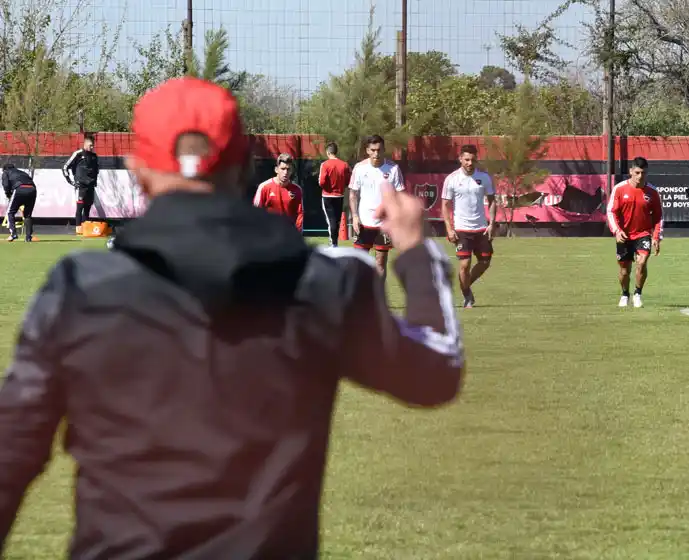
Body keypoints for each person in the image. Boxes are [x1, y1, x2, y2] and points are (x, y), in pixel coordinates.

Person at [0, 77, 464, 559]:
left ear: (138, 171)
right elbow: (437, 370)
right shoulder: (328, 282)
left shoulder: (79, 289)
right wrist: (417, 254)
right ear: (244, 167)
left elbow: (9, 454)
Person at [441, 144, 496, 308]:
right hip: (462, 229)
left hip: (481, 228)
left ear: (476, 159)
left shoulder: (484, 178)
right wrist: (449, 228)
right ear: (460, 159)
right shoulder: (452, 179)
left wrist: (492, 223)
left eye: (472, 160)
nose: (469, 163)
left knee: (485, 262)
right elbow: (445, 205)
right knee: (464, 265)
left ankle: (465, 285)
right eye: (466, 159)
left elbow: (492, 201)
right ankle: (467, 296)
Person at [606, 157, 663, 308]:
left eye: (643, 173)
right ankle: (625, 294)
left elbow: (658, 216)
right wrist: (617, 231)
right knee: (624, 270)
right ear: (631, 171)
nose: (640, 176)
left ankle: (638, 293)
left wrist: (656, 236)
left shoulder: (652, 192)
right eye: (637, 172)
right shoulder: (619, 189)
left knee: (642, 262)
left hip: (643, 233)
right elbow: (611, 211)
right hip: (624, 235)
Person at [349, 134, 405, 280]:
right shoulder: (359, 168)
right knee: (358, 264)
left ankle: (378, 300)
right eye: (373, 150)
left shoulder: (393, 169)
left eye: (379, 150)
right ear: (367, 150)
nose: (376, 153)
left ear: (384, 149)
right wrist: (354, 216)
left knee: (380, 262)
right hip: (363, 223)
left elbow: (400, 196)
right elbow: (353, 194)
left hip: (384, 225)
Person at [253, 152, 304, 232]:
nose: (285, 173)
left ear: (292, 171)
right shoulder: (264, 187)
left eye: (288, 169)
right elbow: (256, 212)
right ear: (276, 169)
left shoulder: (297, 189)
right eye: (283, 169)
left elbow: (300, 213)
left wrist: (297, 233)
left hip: (289, 234)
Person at [62, 133, 100, 234]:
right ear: (85, 144)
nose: (92, 147)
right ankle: (78, 229)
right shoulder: (78, 154)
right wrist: (71, 181)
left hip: (90, 186)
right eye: (90, 145)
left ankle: (86, 229)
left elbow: (97, 170)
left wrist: (94, 181)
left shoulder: (94, 156)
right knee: (80, 207)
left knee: (88, 208)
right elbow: (65, 167)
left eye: (93, 145)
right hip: (80, 185)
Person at [318, 141, 351, 247]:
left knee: (330, 221)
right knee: (336, 220)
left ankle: (333, 243)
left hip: (327, 196)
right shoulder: (344, 164)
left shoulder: (325, 164)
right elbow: (348, 181)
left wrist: (327, 188)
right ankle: (334, 243)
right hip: (340, 196)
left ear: (328, 152)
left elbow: (321, 182)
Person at [1, 163, 37, 242]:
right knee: (27, 214)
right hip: (32, 189)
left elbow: (6, 185)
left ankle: (13, 234)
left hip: (19, 189)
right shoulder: (22, 172)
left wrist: (8, 195)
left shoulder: (6, 172)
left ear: (4, 169)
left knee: (10, 212)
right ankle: (28, 237)